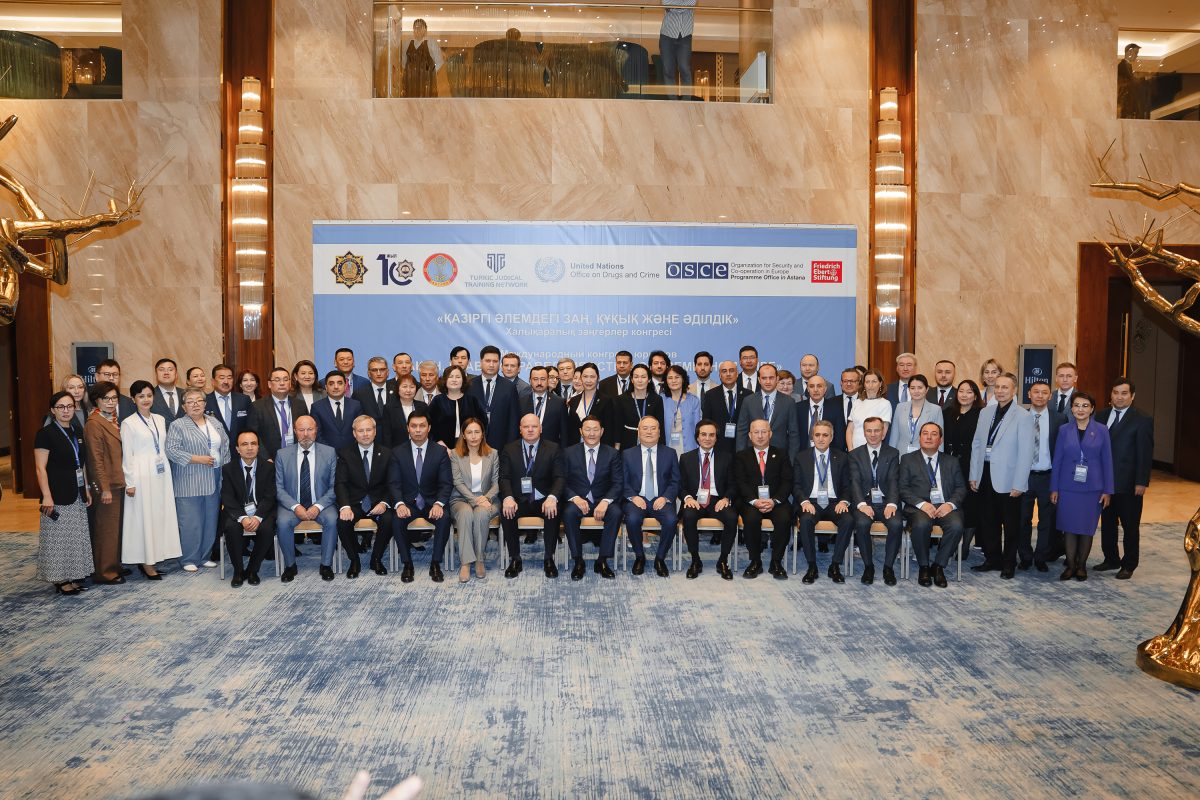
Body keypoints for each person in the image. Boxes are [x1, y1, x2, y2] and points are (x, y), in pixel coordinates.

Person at [969, 373, 1034, 578]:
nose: (1000, 391)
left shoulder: (1023, 416)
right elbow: (977, 444)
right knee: (988, 521)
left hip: (1009, 478)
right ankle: (992, 559)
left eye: (1005, 387)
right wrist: (974, 474)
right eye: (997, 387)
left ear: (1014, 390)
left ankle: (1009, 563)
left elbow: (1026, 453)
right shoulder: (985, 412)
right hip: (985, 474)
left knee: (1011, 524)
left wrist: (1019, 483)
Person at [383, 410, 453, 583]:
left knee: (444, 518)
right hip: (408, 503)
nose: (418, 430)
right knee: (396, 519)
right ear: (408, 428)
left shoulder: (440, 451)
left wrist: (439, 504)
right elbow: (394, 483)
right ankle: (407, 564)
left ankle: (435, 563)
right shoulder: (397, 452)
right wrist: (399, 504)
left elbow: (446, 483)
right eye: (414, 426)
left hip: (432, 503)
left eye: (422, 426)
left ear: (429, 428)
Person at [121, 379, 181, 579]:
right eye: (141, 396)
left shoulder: (160, 419)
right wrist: (130, 482)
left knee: (159, 516)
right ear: (133, 399)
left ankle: (157, 556)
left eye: (148, 395)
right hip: (141, 475)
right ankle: (146, 562)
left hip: (161, 474)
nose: (146, 399)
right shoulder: (128, 423)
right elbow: (127, 455)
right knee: (145, 518)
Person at [35, 391, 94, 595]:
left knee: (75, 537)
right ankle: (60, 579)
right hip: (56, 493)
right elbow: (40, 468)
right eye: (61, 407)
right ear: (53, 410)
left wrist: (86, 488)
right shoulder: (45, 434)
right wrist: (46, 496)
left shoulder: (77, 431)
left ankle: (72, 575)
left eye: (70, 406)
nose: (66, 410)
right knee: (57, 538)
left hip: (76, 492)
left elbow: (82, 464)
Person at [166, 388, 231, 572]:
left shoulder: (214, 422)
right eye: (190, 401)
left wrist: (227, 471)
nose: (195, 404)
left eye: (199, 400)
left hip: (215, 477)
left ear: (205, 403)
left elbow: (225, 446)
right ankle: (189, 558)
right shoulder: (178, 425)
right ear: (184, 406)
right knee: (190, 522)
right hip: (189, 480)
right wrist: (197, 459)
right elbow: (171, 450)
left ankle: (204, 556)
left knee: (210, 520)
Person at [1051, 392, 1114, 581]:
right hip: (1067, 487)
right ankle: (1070, 566)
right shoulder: (1064, 430)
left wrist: (1108, 490)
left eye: (1085, 406)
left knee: (1086, 528)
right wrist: (1054, 488)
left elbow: (1107, 461)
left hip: (1092, 489)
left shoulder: (1102, 430)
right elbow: (1057, 460)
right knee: (1069, 527)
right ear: (1071, 408)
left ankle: (1081, 566)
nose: (1080, 409)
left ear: (1092, 409)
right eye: (1077, 405)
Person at [1095, 377, 1154, 580]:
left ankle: (1129, 564)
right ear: (1110, 394)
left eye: (1124, 393)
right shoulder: (1100, 416)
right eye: (1116, 393)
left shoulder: (1142, 419)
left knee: (1130, 526)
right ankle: (1111, 558)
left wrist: (1141, 481)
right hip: (1104, 483)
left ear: (1132, 396)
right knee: (1107, 524)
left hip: (1129, 484)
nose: (1119, 397)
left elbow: (1145, 453)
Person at [900, 422, 966, 588]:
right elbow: (902, 488)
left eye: (934, 434)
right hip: (919, 507)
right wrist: (922, 504)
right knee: (921, 524)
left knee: (956, 526)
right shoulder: (907, 459)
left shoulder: (951, 461)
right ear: (919, 437)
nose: (929, 437)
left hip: (945, 506)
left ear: (940, 440)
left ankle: (938, 566)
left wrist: (950, 504)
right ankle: (924, 566)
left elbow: (961, 488)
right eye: (925, 433)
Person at [498, 414, 564, 579]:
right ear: (520, 429)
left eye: (534, 426)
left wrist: (552, 497)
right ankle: (515, 559)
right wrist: (508, 497)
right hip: (518, 500)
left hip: (543, 499)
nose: (530, 430)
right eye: (526, 427)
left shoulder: (553, 448)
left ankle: (549, 558)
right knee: (506, 512)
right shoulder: (509, 449)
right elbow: (504, 477)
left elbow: (559, 477)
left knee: (553, 511)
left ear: (540, 429)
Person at [274, 415, 338, 582]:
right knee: (282, 523)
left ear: (316, 430)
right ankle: (290, 565)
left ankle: (326, 565)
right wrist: (296, 507)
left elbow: (334, 486)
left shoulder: (329, 452)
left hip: (322, 504)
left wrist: (318, 506)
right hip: (291, 505)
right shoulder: (282, 454)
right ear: (295, 431)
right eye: (301, 430)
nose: (306, 434)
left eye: (310, 429)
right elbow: (279, 488)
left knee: (332, 520)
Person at [561, 415, 623, 580]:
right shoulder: (568, 453)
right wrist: (574, 497)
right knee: (568, 513)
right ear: (581, 431)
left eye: (595, 429)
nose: (591, 433)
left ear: (602, 431)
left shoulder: (612, 453)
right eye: (587, 429)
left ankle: (602, 560)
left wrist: (605, 501)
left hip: (603, 500)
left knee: (616, 512)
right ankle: (578, 561)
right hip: (578, 500)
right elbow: (561, 481)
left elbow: (618, 483)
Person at [334, 415, 394, 581]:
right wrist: (345, 506)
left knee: (389, 520)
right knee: (342, 522)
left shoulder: (387, 453)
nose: (365, 434)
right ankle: (354, 560)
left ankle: (376, 559)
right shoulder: (345, 454)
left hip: (378, 502)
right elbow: (340, 483)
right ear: (354, 433)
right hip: (355, 503)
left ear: (375, 432)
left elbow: (392, 483)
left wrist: (384, 503)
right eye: (361, 430)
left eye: (369, 430)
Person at [794, 419, 854, 583]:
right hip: (811, 502)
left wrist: (844, 502)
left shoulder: (842, 457)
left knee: (848, 520)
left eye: (825, 435)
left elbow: (847, 486)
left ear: (831, 437)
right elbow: (796, 485)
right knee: (806, 520)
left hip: (834, 502)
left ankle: (835, 565)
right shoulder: (802, 457)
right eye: (817, 435)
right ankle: (812, 566)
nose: (821, 439)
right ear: (812, 436)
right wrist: (804, 502)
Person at [733, 418, 793, 580]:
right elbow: (740, 482)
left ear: (770, 434)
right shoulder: (741, 456)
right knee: (751, 519)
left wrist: (774, 501)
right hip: (751, 502)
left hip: (776, 501)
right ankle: (755, 561)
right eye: (756, 432)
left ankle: (776, 562)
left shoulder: (781, 454)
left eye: (763, 432)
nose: (760, 436)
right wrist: (755, 501)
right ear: (750, 435)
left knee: (784, 518)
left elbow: (787, 481)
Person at [622, 416, 680, 577]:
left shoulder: (670, 453)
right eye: (645, 428)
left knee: (671, 520)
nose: (649, 432)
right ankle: (639, 556)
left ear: (659, 432)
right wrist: (633, 497)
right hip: (637, 499)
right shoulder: (627, 454)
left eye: (653, 428)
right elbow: (622, 481)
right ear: (638, 432)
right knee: (632, 519)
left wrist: (665, 497)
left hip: (660, 499)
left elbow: (675, 481)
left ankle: (660, 558)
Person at [679, 420, 738, 579]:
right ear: (697, 437)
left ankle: (723, 560)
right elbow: (680, 486)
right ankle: (695, 560)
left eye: (711, 435)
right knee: (688, 516)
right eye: (703, 434)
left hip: (717, 500)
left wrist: (726, 498)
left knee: (732, 517)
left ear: (716, 438)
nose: (707, 438)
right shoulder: (686, 458)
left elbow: (733, 484)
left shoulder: (726, 458)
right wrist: (687, 498)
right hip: (695, 500)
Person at [847, 417, 903, 585]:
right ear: (864, 433)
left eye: (877, 430)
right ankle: (868, 566)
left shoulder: (892, 453)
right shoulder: (855, 454)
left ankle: (888, 567)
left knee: (896, 524)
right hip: (864, 502)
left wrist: (892, 503)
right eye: (869, 431)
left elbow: (894, 480)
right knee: (862, 524)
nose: (873, 434)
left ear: (883, 432)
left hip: (886, 501)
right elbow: (854, 482)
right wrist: (861, 505)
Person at [219, 430, 277, 587]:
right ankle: (238, 571)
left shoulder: (269, 467)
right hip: (237, 511)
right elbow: (227, 497)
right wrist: (243, 518)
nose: (249, 448)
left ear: (258, 447)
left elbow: (270, 496)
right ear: (237, 449)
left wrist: (257, 517)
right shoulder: (228, 469)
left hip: (262, 511)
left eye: (253, 444)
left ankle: (252, 570)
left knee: (266, 529)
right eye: (244, 444)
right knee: (231, 528)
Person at [1021, 381, 1067, 571]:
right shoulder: (1020, 417)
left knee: (1046, 520)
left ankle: (1041, 556)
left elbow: (1063, 450)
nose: (1040, 396)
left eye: (1044, 392)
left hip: (1048, 476)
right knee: (1022, 519)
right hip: (1024, 476)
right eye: (1036, 392)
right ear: (1029, 394)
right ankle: (1025, 556)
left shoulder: (1060, 419)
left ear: (1050, 396)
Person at [83, 381, 125, 585]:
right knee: (106, 530)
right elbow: (95, 460)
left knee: (115, 529)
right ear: (96, 400)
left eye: (114, 398)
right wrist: (104, 488)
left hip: (118, 482)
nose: (111, 402)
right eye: (106, 398)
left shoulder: (112, 420)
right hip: (108, 486)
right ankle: (104, 572)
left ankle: (114, 565)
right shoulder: (94, 423)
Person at [448, 418, 498, 583]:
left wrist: (487, 497)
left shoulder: (493, 454)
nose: (474, 436)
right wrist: (475, 500)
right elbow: (457, 482)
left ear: (483, 434)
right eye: (469, 432)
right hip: (460, 498)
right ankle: (465, 562)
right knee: (465, 513)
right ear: (463, 435)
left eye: (477, 432)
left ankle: (479, 559)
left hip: (488, 499)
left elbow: (497, 482)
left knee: (481, 514)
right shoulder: (455, 454)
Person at [942, 379, 983, 554]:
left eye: (969, 392)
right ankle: (951, 542)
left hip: (970, 464)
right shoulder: (948, 412)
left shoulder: (981, 414)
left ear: (975, 396)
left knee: (971, 504)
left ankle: (965, 546)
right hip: (949, 464)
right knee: (951, 500)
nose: (964, 395)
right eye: (961, 391)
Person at [735, 363, 800, 461]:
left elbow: (794, 434)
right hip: (752, 457)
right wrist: (741, 459)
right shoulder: (748, 401)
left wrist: (791, 461)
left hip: (780, 457)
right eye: (764, 378)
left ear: (777, 379)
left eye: (771, 378)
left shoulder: (789, 402)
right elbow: (742, 432)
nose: (768, 381)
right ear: (759, 380)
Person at [466, 345, 520, 449]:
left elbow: (514, 420)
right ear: (481, 362)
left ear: (499, 364)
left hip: (501, 446)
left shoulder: (509, 387)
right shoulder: (469, 385)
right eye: (488, 361)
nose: (491, 365)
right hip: (473, 444)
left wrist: (510, 448)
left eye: (495, 361)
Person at [248, 367, 305, 458]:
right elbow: (253, 435)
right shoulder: (257, 406)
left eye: (285, 379)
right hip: (270, 459)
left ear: (290, 383)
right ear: (269, 384)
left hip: (297, 456)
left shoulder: (300, 405)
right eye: (277, 380)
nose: (282, 383)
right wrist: (266, 458)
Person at [429, 365, 486, 449]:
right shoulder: (437, 401)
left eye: (458, 377)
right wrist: (438, 442)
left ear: (463, 380)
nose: (454, 380)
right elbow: (428, 425)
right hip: (442, 448)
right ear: (445, 380)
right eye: (451, 377)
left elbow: (484, 423)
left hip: (471, 447)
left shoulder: (472, 400)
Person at [889, 374, 944, 455]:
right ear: (908, 389)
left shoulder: (936, 410)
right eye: (912, 388)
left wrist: (940, 458)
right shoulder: (900, 407)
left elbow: (939, 439)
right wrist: (891, 457)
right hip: (901, 455)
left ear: (927, 389)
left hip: (925, 455)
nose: (916, 391)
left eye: (920, 388)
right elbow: (894, 436)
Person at [613, 364, 665, 450]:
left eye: (643, 377)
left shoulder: (656, 399)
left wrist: (662, 448)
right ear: (632, 380)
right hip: (628, 444)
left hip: (650, 442)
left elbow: (661, 427)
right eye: (636, 377)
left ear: (649, 379)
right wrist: (617, 449)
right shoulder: (621, 399)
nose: (640, 380)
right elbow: (618, 427)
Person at [701, 359, 746, 458]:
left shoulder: (748, 395)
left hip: (742, 447)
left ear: (737, 374)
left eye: (731, 370)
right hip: (718, 447)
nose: (728, 374)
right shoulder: (710, 395)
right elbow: (706, 422)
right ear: (720, 375)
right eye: (724, 371)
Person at [564, 362, 614, 448]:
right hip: (575, 448)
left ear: (598, 378)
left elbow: (609, 430)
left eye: (592, 377)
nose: (588, 380)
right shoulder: (573, 401)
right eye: (585, 376)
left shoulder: (606, 401)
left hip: (599, 448)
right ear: (581, 378)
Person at [311, 371, 362, 452]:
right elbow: (317, 434)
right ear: (326, 387)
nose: (336, 387)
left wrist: (351, 452)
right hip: (326, 453)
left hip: (352, 453)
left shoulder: (356, 405)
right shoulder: (317, 407)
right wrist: (330, 452)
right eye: (331, 384)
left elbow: (360, 430)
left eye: (340, 383)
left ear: (345, 386)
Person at [796, 375, 847, 453]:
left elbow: (839, 436)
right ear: (808, 389)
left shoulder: (836, 408)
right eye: (812, 386)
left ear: (825, 389)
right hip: (802, 454)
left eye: (819, 386)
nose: (815, 390)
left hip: (828, 454)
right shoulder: (798, 408)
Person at [519, 365, 567, 444]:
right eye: (535, 379)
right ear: (530, 381)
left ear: (547, 380)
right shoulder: (521, 402)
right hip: (526, 447)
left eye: (543, 379)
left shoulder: (559, 402)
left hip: (551, 449)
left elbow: (564, 433)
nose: (539, 383)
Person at [845, 368, 891, 450]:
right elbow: (850, 429)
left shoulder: (885, 404)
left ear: (880, 384)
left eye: (874, 381)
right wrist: (851, 450)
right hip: (854, 450)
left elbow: (882, 434)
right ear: (864, 384)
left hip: (873, 450)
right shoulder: (857, 402)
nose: (870, 385)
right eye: (867, 382)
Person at [380, 373, 428, 448]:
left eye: (412, 387)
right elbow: (386, 435)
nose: (408, 390)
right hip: (397, 450)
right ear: (398, 388)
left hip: (420, 448)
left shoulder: (423, 406)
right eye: (404, 386)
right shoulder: (389, 408)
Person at [661, 364, 700, 457]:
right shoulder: (661, 400)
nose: (673, 381)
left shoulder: (693, 400)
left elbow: (697, 427)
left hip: (689, 447)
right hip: (667, 446)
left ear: (683, 379)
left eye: (677, 377)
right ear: (666, 381)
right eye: (670, 378)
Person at [659, 0, 696, 100]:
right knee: (668, 69)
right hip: (667, 34)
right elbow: (665, 3)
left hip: (685, 35)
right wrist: (683, 6)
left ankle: (686, 100)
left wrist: (673, 7)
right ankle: (672, 100)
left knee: (684, 67)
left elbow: (692, 2)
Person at [206, 363, 251, 441]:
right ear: (213, 381)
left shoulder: (244, 400)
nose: (226, 381)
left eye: (229, 378)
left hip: (239, 447)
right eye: (222, 378)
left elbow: (250, 426)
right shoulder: (205, 401)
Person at [403, 18, 444, 98]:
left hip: (427, 86)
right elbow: (403, 64)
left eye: (420, 27)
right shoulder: (407, 44)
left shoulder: (432, 43)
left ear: (425, 29)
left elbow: (439, 63)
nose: (417, 29)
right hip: (410, 85)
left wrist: (429, 75)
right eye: (415, 27)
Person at [352, 356, 392, 424]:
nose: (378, 373)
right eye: (374, 370)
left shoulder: (397, 391)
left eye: (382, 370)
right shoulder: (359, 394)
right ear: (369, 373)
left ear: (387, 372)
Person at [150, 357, 185, 424]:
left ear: (176, 374)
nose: (166, 372)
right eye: (161, 370)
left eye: (170, 370)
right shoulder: (149, 395)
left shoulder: (186, 394)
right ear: (156, 374)